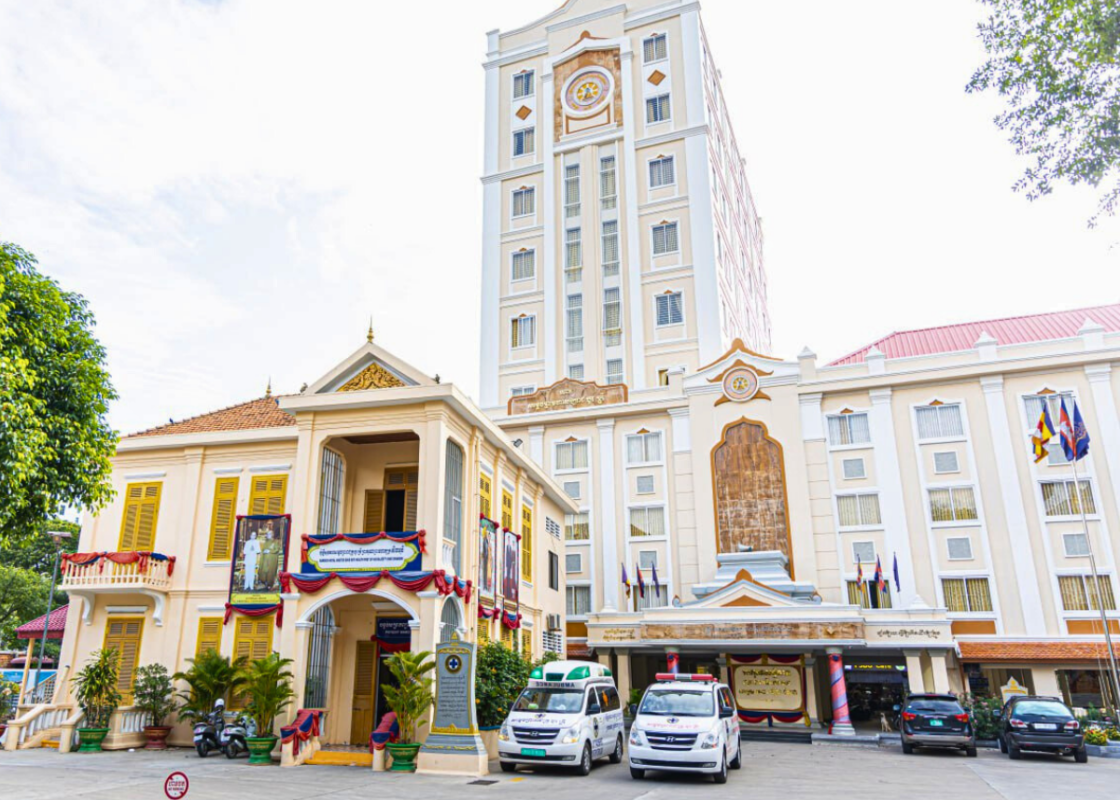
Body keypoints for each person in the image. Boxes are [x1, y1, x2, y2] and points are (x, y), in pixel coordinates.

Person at [257, 524, 281, 590]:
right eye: (268, 534)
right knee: (264, 571)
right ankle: (263, 583)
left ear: (272, 535)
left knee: (270, 572)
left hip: (271, 560)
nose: (268, 535)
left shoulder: (275, 542)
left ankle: (270, 584)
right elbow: (262, 550)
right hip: (264, 560)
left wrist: (269, 551)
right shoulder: (265, 543)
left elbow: (276, 549)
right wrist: (264, 551)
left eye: (270, 534)